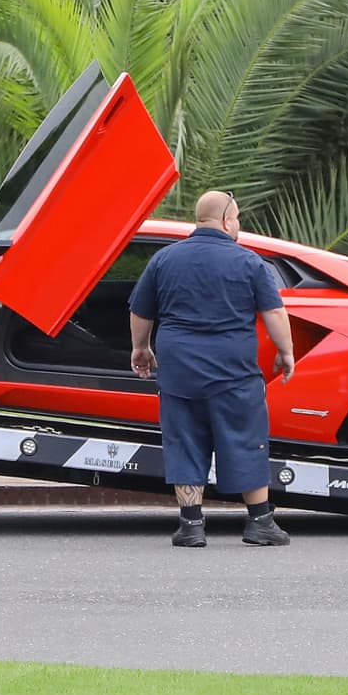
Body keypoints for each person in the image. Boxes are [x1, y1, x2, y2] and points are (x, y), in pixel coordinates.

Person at [128, 190, 296, 547]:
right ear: (225, 221)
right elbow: (275, 313)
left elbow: (141, 310)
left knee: (185, 439)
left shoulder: (164, 259)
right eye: (237, 218)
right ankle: (260, 522)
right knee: (246, 437)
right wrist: (286, 352)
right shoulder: (249, 262)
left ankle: (191, 526)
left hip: (179, 367)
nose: (238, 225)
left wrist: (141, 348)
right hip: (232, 368)